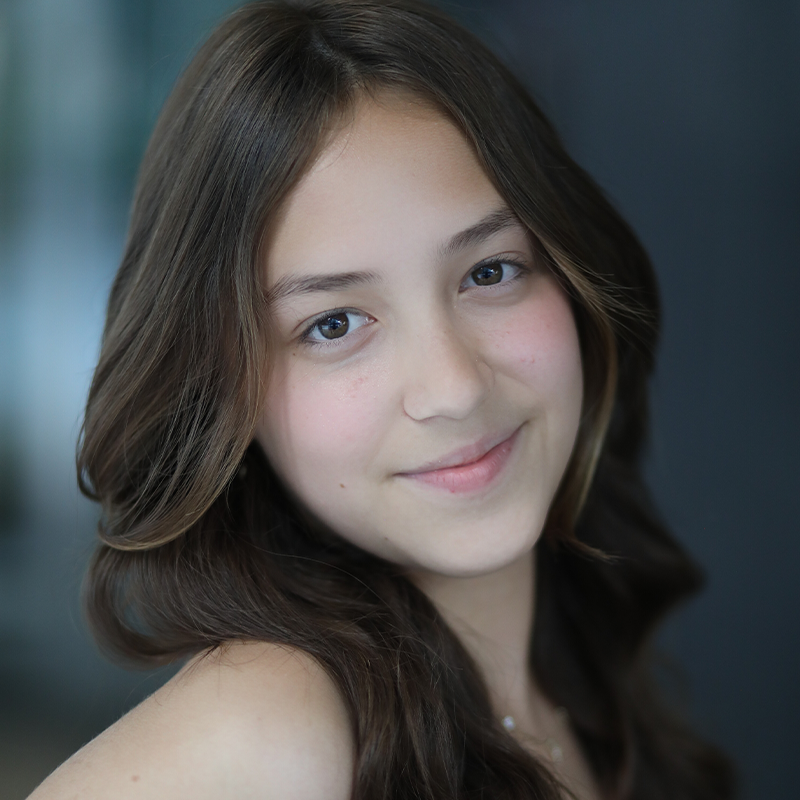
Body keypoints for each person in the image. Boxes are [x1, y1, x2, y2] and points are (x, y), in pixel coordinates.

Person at [30, 1, 734, 798]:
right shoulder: (269, 732)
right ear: (223, 391)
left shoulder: (578, 689)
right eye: (333, 324)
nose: (454, 387)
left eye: (490, 272)